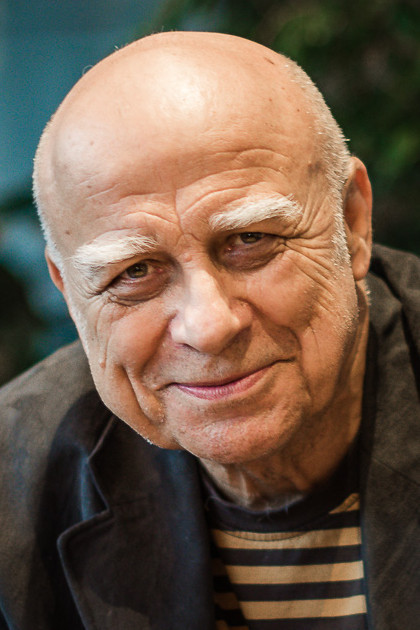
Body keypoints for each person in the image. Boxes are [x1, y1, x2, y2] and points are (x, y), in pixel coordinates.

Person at [0, 31, 419, 630]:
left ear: (351, 223)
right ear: (69, 291)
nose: (209, 326)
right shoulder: (10, 484)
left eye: (250, 239)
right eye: (134, 271)